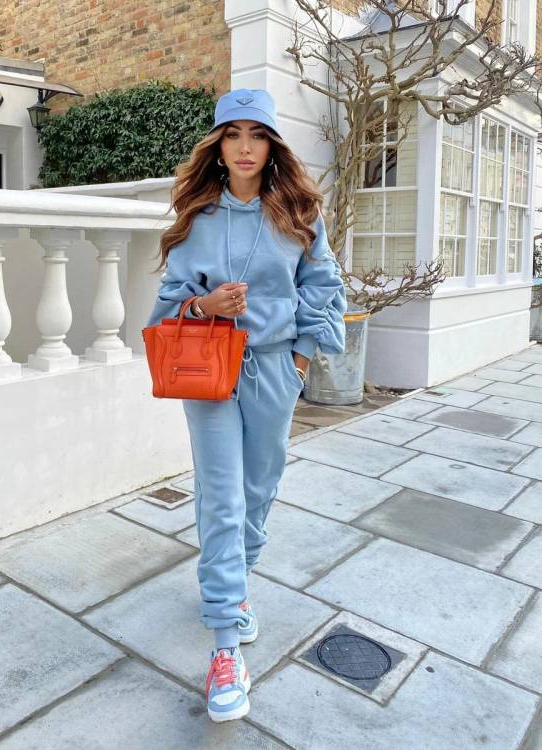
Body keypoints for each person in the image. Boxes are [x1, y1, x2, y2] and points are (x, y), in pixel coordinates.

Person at [145, 87, 347, 722]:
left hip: (273, 369)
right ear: (217, 145)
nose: (244, 147)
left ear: (272, 145)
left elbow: (324, 287)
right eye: (232, 135)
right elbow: (166, 304)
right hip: (208, 372)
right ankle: (225, 645)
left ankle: (233, 589)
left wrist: (301, 359)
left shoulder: (298, 214)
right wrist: (204, 305)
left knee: (259, 490)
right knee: (222, 497)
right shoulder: (197, 217)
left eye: (256, 135)